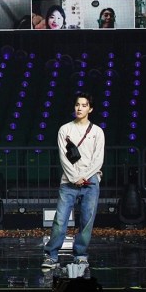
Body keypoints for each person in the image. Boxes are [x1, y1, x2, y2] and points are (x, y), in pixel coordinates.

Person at [42, 93, 105, 270]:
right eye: (77, 104)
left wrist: (85, 176)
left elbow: (98, 159)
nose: (79, 108)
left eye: (84, 105)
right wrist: (75, 177)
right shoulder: (65, 129)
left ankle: (80, 255)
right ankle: (51, 255)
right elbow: (63, 157)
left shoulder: (97, 131)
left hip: (90, 181)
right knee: (60, 220)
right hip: (68, 181)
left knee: (87, 221)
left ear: (90, 109)